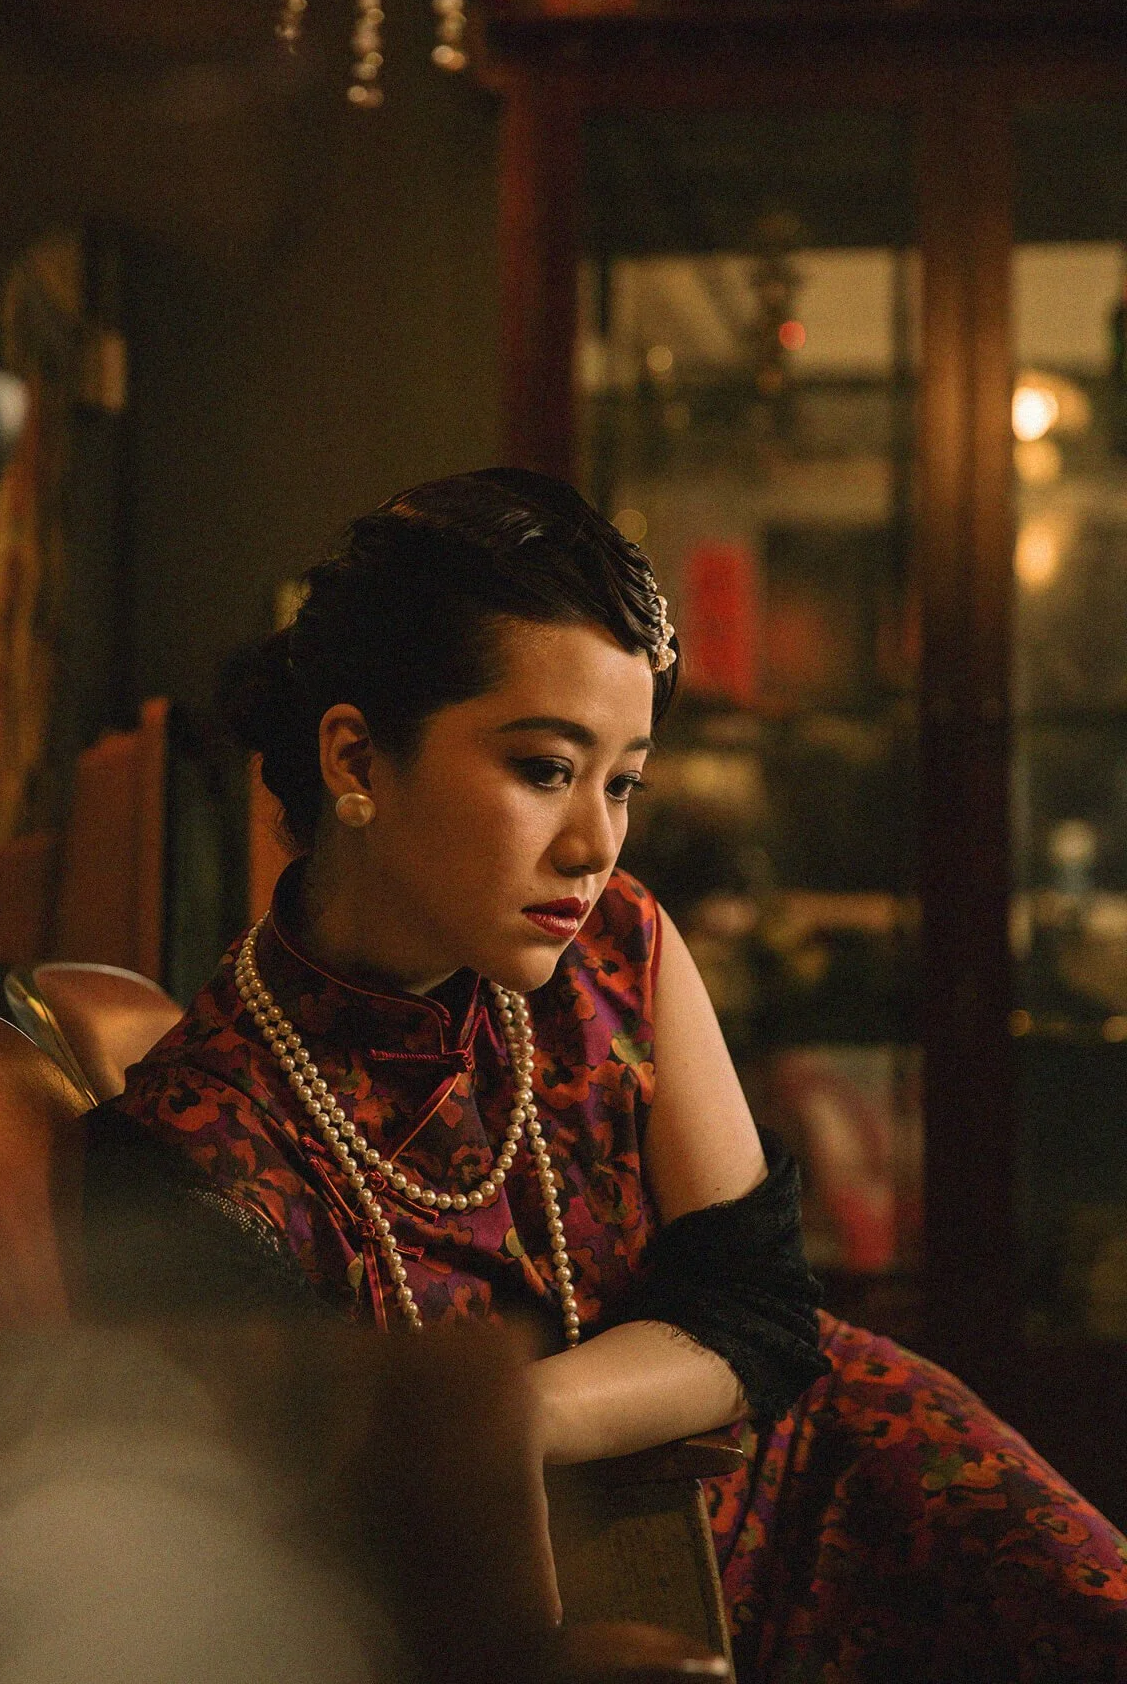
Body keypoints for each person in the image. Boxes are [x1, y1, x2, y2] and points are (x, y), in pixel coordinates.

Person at [84, 469, 1127, 1682]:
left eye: (622, 781)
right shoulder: (198, 1145)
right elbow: (324, 1544)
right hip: (615, 1613)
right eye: (544, 768)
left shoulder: (617, 947)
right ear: (356, 757)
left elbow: (762, 1312)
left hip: (840, 1477)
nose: (595, 844)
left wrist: (516, 1417)